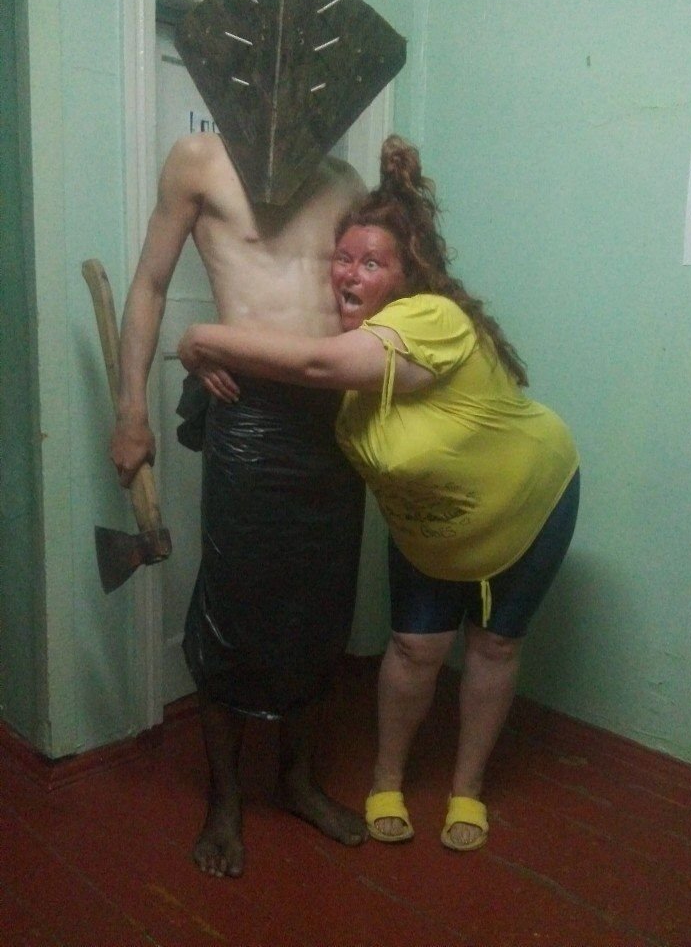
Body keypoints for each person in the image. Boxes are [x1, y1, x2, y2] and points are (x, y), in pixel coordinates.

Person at [177, 134, 580, 853]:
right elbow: (309, 363)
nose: (349, 274)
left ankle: (466, 790)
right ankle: (382, 780)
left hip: (526, 505)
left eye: (372, 263)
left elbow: (315, 362)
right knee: (413, 648)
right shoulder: (354, 360)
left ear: (406, 274)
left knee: (492, 646)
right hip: (432, 526)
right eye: (343, 257)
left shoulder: (426, 320)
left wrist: (201, 338)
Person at [110, 130, 369, 878]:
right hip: (247, 414)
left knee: (319, 605)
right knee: (233, 605)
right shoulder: (201, 159)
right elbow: (150, 283)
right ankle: (224, 801)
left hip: (332, 417)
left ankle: (296, 781)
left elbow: (374, 301)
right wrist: (131, 410)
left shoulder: (346, 180)